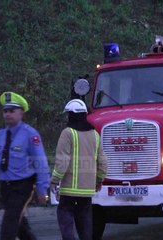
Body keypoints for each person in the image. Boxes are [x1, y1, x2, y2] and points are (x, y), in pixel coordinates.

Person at [0, 91, 50, 240]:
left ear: (21, 113)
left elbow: (40, 162)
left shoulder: (30, 134)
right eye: (5, 111)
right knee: (20, 226)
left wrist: (42, 190)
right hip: (5, 186)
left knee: (9, 225)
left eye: (12, 111)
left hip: (22, 186)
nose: (8, 114)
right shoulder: (1, 135)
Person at [50, 99, 107, 240]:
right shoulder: (95, 135)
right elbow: (103, 162)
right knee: (85, 227)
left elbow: (62, 161)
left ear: (71, 114)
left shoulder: (68, 133)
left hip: (69, 191)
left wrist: (54, 180)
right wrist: (99, 180)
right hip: (87, 192)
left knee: (66, 222)